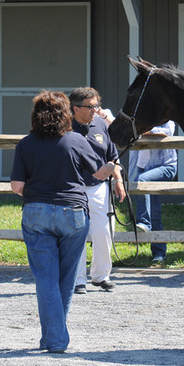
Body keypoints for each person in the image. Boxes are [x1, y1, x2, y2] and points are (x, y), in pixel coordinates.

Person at [10, 91, 115, 353]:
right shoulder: (76, 140)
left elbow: (16, 186)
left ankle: (53, 338)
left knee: (46, 278)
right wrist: (113, 167)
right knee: (66, 279)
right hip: (73, 212)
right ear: (65, 114)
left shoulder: (26, 144)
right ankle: (55, 339)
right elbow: (98, 173)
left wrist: (37, 194)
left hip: (36, 212)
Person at [70, 87, 126, 293]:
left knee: (103, 232)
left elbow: (113, 155)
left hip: (99, 187)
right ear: (76, 108)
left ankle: (101, 275)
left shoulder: (101, 124)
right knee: (76, 235)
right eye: (90, 106)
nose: (95, 110)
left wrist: (118, 180)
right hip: (73, 188)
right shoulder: (65, 128)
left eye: (96, 105)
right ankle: (77, 280)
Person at [132, 120, 177, 267]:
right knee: (155, 211)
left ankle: (144, 222)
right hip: (144, 168)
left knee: (142, 180)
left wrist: (148, 131)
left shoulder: (167, 121)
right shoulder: (141, 118)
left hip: (166, 166)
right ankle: (158, 254)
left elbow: (168, 132)